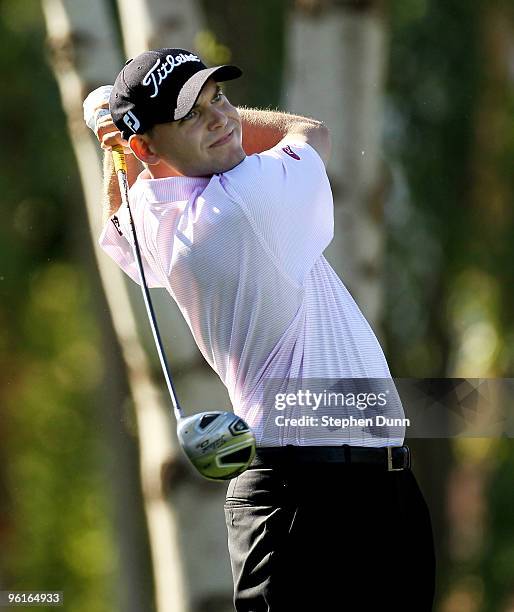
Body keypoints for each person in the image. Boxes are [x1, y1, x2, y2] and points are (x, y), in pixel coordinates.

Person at [86, 48, 436, 611]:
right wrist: (122, 133)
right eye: (190, 114)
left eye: (217, 97)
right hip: (309, 501)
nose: (221, 118)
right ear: (149, 146)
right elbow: (310, 131)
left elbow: (120, 217)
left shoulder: (165, 215)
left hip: (373, 488)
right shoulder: (251, 197)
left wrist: (114, 141)